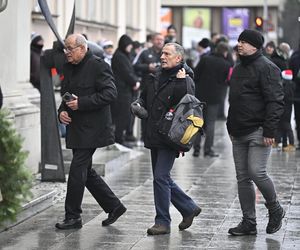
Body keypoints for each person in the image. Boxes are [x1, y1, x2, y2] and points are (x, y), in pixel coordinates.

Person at [56, 34, 126, 230]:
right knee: (86, 170)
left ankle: (73, 216)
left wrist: (82, 103)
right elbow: (65, 96)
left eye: (70, 49)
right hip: (77, 127)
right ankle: (114, 206)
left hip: (94, 129)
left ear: (82, 48)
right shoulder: (69, 66)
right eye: (65, 49)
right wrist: (61, 112)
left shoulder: (98, 65)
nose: (66, 53)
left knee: (77, 169)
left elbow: (111, 94)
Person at [132, 43, 201, 235]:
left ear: (178, 58)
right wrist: (138, 104)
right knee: (161, 177)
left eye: (167, 54)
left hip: (170, 136)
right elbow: (143, 97)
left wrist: (181, 83)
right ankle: (188, 208)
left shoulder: (185, 79)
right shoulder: (154, 76)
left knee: (160, 177)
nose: (162, 56)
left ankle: (162, 221)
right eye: (162, 53)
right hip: (154, 133)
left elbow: (188, 109)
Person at [227, 29, 285, 236]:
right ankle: (249, 222)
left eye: (243, 41)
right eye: (239, 41)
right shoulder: (238, 66)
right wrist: (230, 126)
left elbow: (276, 101)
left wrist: (270, 130)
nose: (239, 44)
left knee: (256, 172)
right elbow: (234, 99)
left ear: (255, 46)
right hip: (238, 130)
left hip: (259, 130)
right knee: (243, 177)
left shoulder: (268, 67)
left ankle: (275, 208)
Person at [192, 42, 231, 157]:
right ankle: (208, 149)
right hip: (215, 96)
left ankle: (196, 149)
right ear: (225, 52)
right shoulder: (226, 64)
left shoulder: (205, 59)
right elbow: (225, 81)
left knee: (198, 121)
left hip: (200, 95)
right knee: (211, 123)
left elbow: (196, 74)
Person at [111, 34, 140, 147]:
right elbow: (126, 72)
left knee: (125, 115)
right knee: (121, 115)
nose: (130, 48)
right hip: (121, 91)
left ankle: (120, 136)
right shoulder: (119, 56)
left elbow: (130, 71)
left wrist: (135, 81)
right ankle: (118, 138)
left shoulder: (124, 55)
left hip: (126, 89)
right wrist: (135, 82)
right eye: (128, 45)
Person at [290, 42, 300, 148]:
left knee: (298, 118)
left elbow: (290, 74)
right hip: (297, 94)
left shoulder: (294, 57)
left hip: (297, 94)